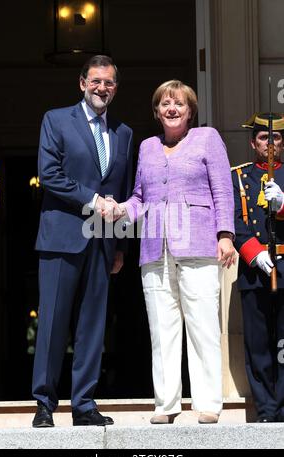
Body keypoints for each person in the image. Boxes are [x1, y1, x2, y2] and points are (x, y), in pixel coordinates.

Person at [104, 80, 235, 424]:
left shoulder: (207, 139)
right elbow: (139, 198)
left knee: (203, 326)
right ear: (157, 111)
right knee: (162, 329)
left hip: (199, 243)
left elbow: (222, 189)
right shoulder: (147, 147)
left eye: (178, 103)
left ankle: (208, 403)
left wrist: (225, 235)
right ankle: (166, 404)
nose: (171, 108)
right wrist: (119, 210)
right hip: (154, 249)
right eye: (165, 103)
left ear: (190, 110)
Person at [32, 55, 133, 427]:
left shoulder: (123, 133)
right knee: (54, 323)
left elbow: (120, 190)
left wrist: (120, 245)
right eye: (95, 81)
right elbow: (49, 175)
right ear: (82, 83)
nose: (101, 88)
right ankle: (44, 403)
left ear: (115, 88)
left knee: (93, 325)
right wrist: (92, 200)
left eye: (108, 82)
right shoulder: (56, 120)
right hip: (62, 237)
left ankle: (84, 404)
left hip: (103, 242)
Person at [232, 112, 284, 423]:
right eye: (264, 138)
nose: (270, 144)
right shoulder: (239, 177)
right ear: (253, 142)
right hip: (255, 270)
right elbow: (233, 222)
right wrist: (254, 253)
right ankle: (266, 410)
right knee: (258, 345)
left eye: (275, 138)